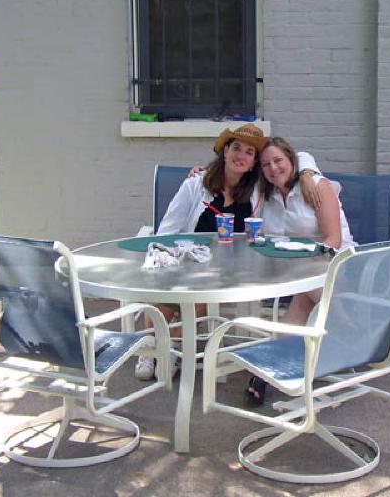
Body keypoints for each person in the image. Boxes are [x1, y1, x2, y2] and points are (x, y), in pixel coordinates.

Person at [134, 124, 321, 380]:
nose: (241, 156)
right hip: (188, 259)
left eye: (249, 152)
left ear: (254, 162)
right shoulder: (196, 184)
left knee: (198, 293)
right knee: (166, 289)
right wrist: (167, 261)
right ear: (225, 151)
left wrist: (308, 173)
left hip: (233, 267)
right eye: (236, 148)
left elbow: (295, 158)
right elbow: (167, 229)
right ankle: (151, 349)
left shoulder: (259, 189)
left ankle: (172, 349)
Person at [245, 136, 355, 404]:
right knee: (302, 303)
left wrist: (305, 264)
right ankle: (347, 332)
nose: (273, 169)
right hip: (300, 272)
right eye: (266, 165)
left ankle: (345, 330)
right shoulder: (266, 196)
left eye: (278, 161)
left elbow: (333, 240)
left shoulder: (316, 186)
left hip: (337, 263)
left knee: (308, 286)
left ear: (292, 160)